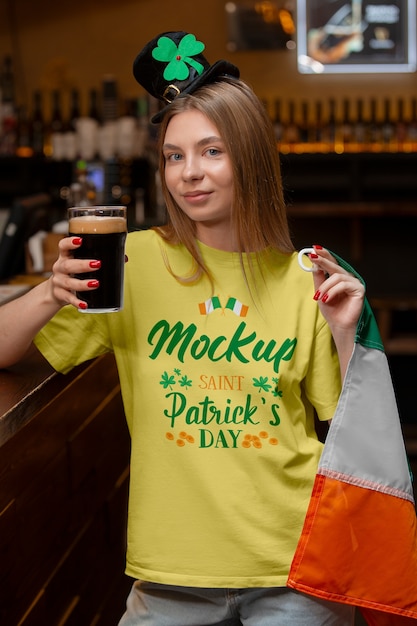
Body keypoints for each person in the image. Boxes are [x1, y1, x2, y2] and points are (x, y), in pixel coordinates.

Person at [0, 31, 365, 626]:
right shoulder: (133, 263)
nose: (190, 174)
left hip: (295, 567)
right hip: (172, 571)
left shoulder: (304, 278)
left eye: (212, 151)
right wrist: (50, 289)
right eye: (175, 156)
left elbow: (352, 428)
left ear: (248, 157)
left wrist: (348, 333)